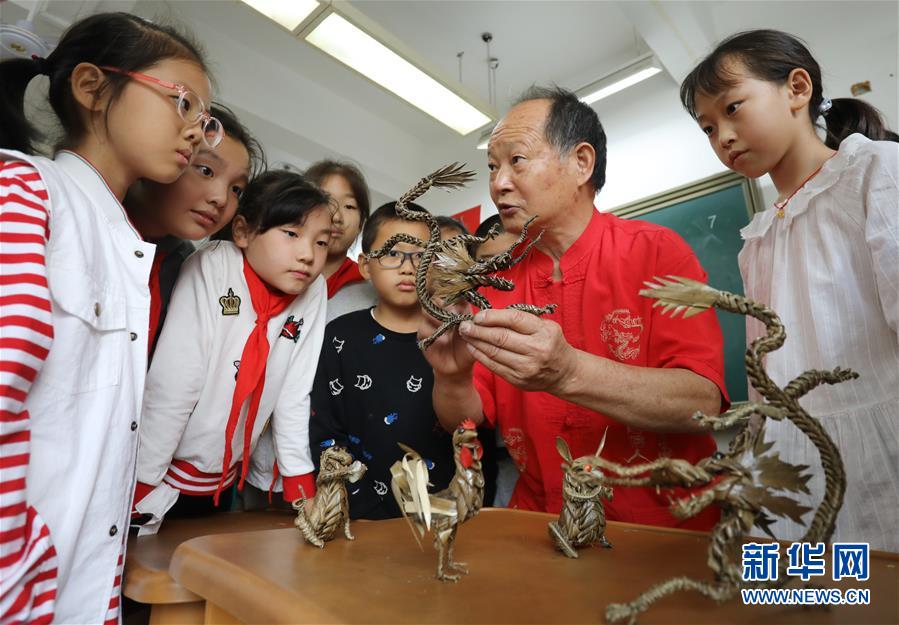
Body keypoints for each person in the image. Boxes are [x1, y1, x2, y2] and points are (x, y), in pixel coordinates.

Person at [422, 86, 728, 530]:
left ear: (581, 163)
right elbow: (466, 419)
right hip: (542, 522)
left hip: (662, 527)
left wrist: (568, 373)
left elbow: (701, 401)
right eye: (492, 166)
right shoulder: (494, 283)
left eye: (517, 161)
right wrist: (451, 377)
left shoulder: (657, 253)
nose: (499, 183)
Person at [0, 12, 214, 624]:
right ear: (93, 88)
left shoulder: (126, 243)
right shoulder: (27, 192)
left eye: (206, 117)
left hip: (82, 590)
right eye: (182, 103)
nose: (198, 131)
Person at [681, 29, 898, 551]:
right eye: (708, 128)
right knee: (798, 598)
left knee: (876, 598)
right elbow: (764, 373)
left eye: (733, 109)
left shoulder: (874, 172)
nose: (723, 137)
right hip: (790, 467)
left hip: (879, 451)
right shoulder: (757, 237)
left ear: (797, 89)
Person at [133, 171, 331, 533]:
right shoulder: (213, 266)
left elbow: (293, 390)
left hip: (227, 479)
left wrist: (299, 480)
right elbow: (175, 381)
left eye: (322, 243)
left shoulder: (313, 290)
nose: (308, 255)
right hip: (164, 475)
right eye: (291, 234)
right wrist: (143, 481)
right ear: (242, 232)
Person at [309, 202, 456, 519]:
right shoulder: (340, 337)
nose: (407, 267)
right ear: (365, 265)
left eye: (420, 255)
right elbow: (326, 432)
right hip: (359, 514)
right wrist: (355, 504)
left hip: (443, 513)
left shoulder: (452, 338)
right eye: (392, 254)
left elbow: (471, 432)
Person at [125, 103, 265, 358]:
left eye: (237, 189)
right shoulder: (83, 226)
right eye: (206, 170)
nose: (221, 198)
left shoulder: (188, 267)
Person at [307, 159, 377, 322]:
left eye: (349, 206)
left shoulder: (371, 290)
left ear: (361, 224)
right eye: (326, 202)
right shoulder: (277, 273)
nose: (337, 217)